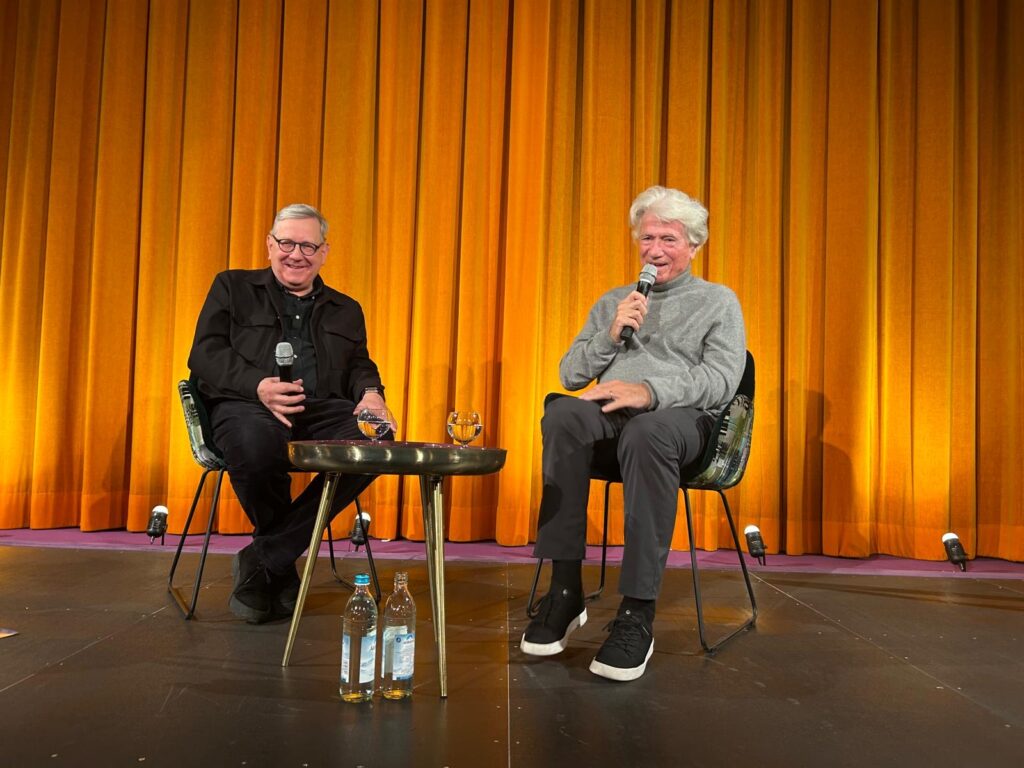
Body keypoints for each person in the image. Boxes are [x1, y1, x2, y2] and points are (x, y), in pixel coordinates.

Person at [520, 186, 746, 681]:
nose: (655, 250)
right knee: (563, 414)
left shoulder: (718, 302)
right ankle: (565, 590)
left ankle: (637, 612)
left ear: (694, 246)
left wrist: (649, 390)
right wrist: (610, 335)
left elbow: (722, 381)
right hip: (615, 419)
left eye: (669, 239)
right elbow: (571, 375)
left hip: (682, 423)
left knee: (648, 430)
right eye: (647, 238)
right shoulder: (614, 302)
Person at [188, 203, 392, 624]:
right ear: (269, 245)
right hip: (246, 404)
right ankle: (278, 566)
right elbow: (205, 354)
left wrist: (372, 395)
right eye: (286, 243)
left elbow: (359, 364)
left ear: (324, 252)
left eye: (307, 246)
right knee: (256, 446)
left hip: (319, 409)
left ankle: (266, 556)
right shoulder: (232, 287)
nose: (296, 254)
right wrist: (257, 386)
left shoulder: (346, 308)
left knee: (377, 438)